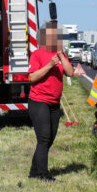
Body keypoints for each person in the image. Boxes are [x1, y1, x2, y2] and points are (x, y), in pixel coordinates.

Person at [28, 21, 71, 181]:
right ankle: (43, 175)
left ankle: (34, 172)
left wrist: (61, 56)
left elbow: (70, 72)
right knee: (44, 138)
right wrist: (50, 65)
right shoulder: (37, 54)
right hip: (39, 101)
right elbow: (32, 77)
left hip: (54, 102)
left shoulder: (61, 54)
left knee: (49, 139)